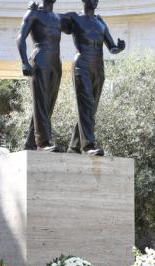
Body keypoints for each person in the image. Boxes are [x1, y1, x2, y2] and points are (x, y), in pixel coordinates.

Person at [61, 0, 126, 156]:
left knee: (91, 109)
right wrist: (40, 9)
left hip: (98, 67)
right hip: (82, 65)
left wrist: (119, 47)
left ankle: (74, 146)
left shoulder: (100, 21)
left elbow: (111, 47)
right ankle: (88, 146)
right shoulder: (74, 18)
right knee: (86, 107)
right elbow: (51, 21)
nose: (95, 1)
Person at [16, 0, 62, 152]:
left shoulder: (57, 17)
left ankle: (30, 143)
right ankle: (43, 142)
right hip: (40, 58)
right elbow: (20, 38)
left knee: (48, 104)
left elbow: (79, 22)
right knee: (41, 101)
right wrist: (24, 62)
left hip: (55, 61)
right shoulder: (33, 13)